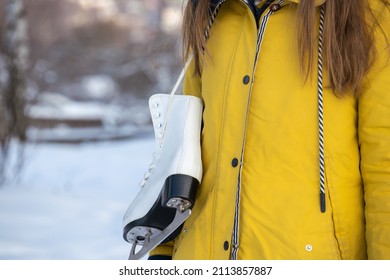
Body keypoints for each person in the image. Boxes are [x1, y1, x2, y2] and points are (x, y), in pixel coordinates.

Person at [149, 0, 390, 259]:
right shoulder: (212, 13)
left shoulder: (368, 17)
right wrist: (163, 249)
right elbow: (184, 151)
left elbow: (383, 168)